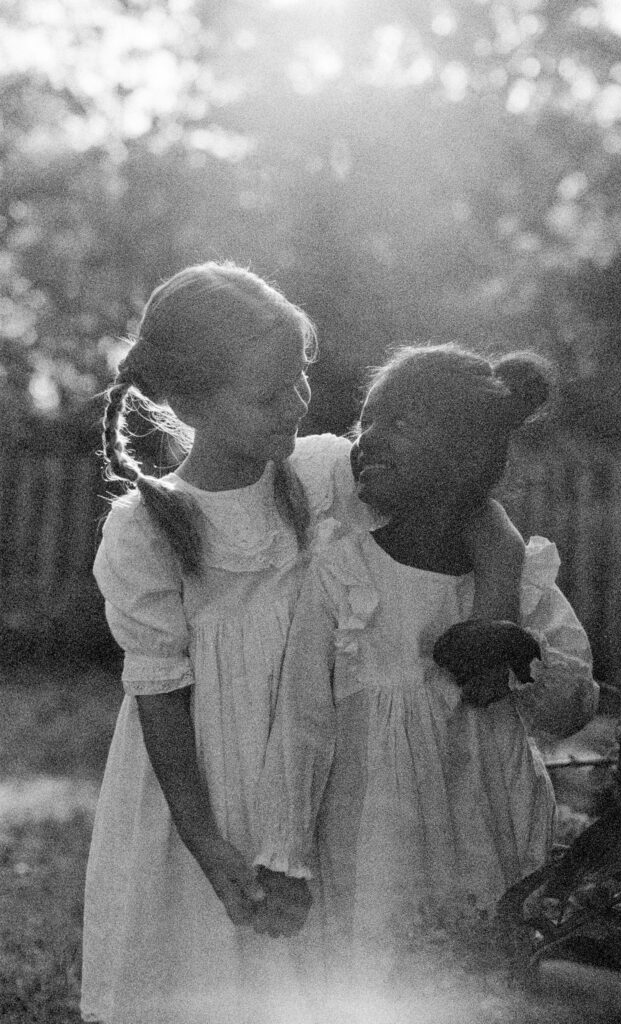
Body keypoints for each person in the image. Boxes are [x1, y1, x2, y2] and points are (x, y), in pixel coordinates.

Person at [81, 263, 525, 1024]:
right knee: (207, 965)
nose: (294, 403)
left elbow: (477, 513)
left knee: (319, 968)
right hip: (209, 786)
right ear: (188, 402)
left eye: (301, 377)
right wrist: (209, 845)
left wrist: (494, 615)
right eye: (266, 393)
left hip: (323, 765)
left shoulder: (321, 470)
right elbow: (159, 698)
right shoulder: (148, 528)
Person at [256, 343, 599, 1002]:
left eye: (403, 423)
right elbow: (302, 725)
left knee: (481, 981)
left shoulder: (520, 579)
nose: (371, 437)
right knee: (376, 982)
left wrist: (517, 650)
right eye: (369, 420)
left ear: (467, 452)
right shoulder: (339, 576)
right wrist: (285, 854)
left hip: (486, 838)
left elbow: (573, 708)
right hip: (371, 847)